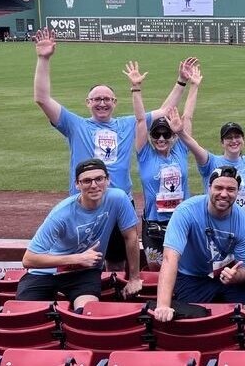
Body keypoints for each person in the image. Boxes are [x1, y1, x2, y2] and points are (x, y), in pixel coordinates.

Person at [33, 27, 196, 270]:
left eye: (107, 99)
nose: (102, 103)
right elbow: (42, 98)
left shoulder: (127, 124)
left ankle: (119, 299)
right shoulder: (75, 124)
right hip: (86, 202)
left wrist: (182, 82)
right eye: (96, 99)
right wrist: (43, 58)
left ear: (115, 103)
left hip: (120, 202)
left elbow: (164, 111)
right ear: (88, 103)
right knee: (85, 261)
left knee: (119, 261)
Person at [17, 158, 142, 310]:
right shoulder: (61, 214)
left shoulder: (119, 199)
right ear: (77, 184)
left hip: (84, 274)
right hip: (45, 273)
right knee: (26, 315)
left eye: (99, 179)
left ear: (108, 180)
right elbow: (28, 259)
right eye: (87, 181)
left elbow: (131, 237)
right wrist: (78, 258)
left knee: (86, 313)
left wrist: (134, 278)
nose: (94, 185)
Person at [154, 165, 245, 322]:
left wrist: (235, 276)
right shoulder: (186, 211)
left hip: (226, 275)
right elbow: (170, 258)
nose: (224, 194)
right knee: (190, 323)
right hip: (192, 276)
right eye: (218, 187)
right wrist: (162, 305)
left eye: (230, 189)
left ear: (237, 192)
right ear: (209, 187)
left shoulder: (244, 224)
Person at [126, 60, 202, 270]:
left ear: (172, 136)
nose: (161, 138)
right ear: (151, 137)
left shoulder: (180, 149)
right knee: (157, 272)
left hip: (181, 222)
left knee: (184, 270)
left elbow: (188, 117)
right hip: (154, 225)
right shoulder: (145, 154)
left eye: (166, 134)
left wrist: (194, 86)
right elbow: (141, 121)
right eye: (156, 134)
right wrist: (136, 88)